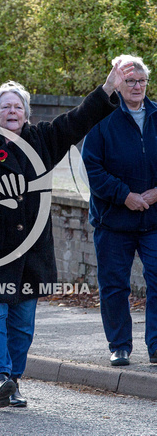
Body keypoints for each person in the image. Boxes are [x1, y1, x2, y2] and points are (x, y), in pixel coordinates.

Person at [0, 48, 133, 408]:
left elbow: (78, 120)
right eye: (4, 106)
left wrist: (108, 88)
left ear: (26, 114)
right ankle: (0, 377)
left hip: (31, 252)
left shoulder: (43, 140)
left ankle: (14, 380)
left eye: (17, 106)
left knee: (22, 324)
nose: (11, 110)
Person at [81, 54, 157, 367]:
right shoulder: (102, 118)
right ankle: (120, 346)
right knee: (114, 287)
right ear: (118, 83)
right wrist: (124, 196)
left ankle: (156, 347)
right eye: (130, 81)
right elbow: (92, 167)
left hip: (153, 220)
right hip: (113, 221)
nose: (137, 86)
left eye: (141, 80)